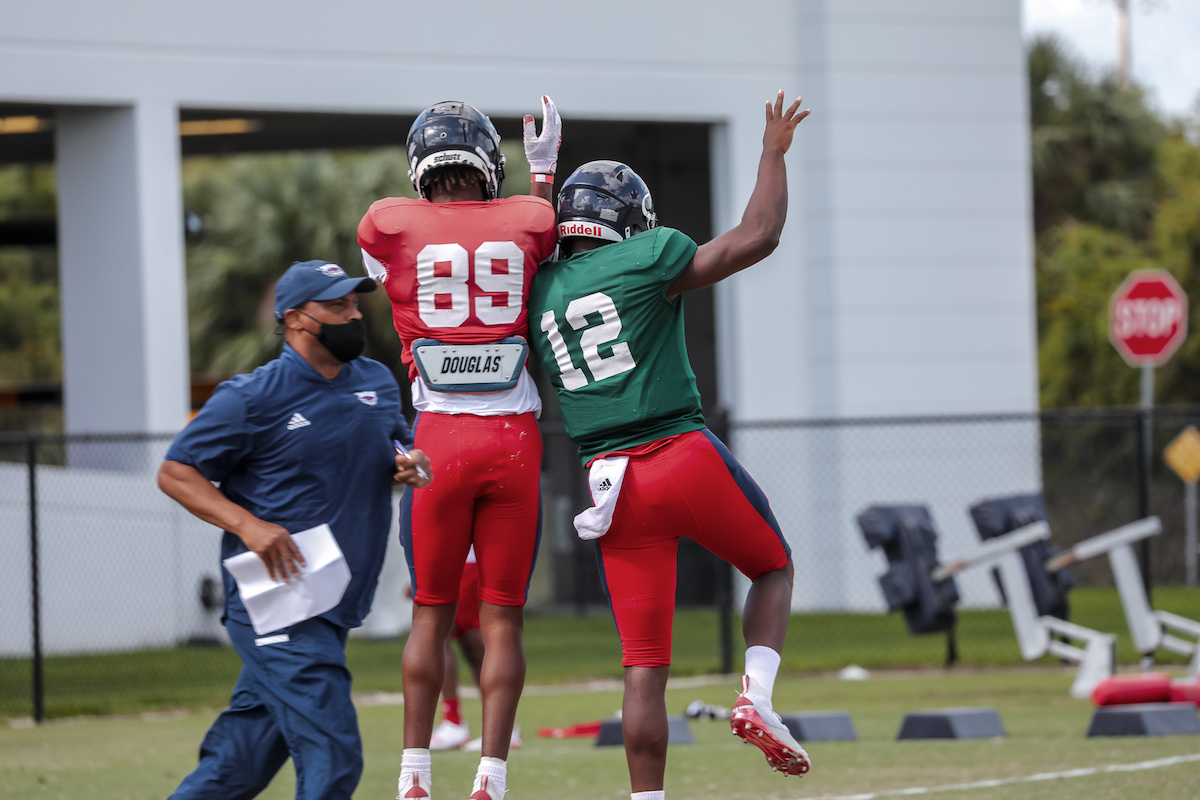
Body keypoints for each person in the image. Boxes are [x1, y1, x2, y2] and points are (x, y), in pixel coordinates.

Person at [527, 91, 812, 799]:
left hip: (608, 486)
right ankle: (758, 696)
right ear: (629, 223)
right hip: (677, 453)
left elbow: (529, 243)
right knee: (772, 568)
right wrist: (772, 153)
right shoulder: (647, 257)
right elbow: (758, 234)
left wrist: (538, 176)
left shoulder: (539, 292)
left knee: (643, 667)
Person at [157, 259, 433, 800]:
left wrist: (410, 462)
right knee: (333, 753)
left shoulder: (376, 380)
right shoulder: (251, 396)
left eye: (355, 304)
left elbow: (400, 445)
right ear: (295, 320)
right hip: (277, 599)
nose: (353, 315)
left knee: (236, 768)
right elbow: (175, 472)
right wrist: (249, 525)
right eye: (336, 306)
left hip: (334, 601)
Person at [357, 97, 560, 800]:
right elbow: (544, 251)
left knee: (430, 613)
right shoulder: (529, 219)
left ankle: (414, 775)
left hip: (438, 437)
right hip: (512, 438)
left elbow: (397, 271)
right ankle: (492, 777)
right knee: (502, 618)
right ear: (488, 164)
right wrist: (543, 175)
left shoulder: (387, 224)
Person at [426, 548, 523, 753]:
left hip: (461, 557)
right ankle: (502, 726)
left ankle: (456, 722)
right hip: (456, 558)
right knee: (465, 638)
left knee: (438, 631)